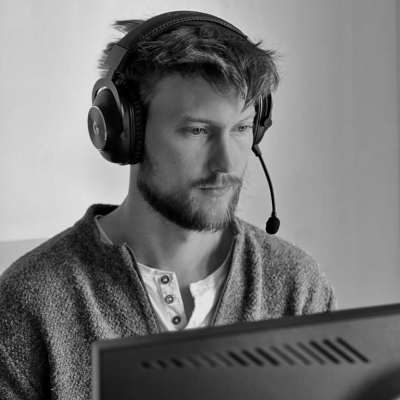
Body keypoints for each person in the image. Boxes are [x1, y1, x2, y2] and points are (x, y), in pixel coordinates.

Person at [0, 11, 336, 400]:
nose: (226, 164)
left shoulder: (297, 287)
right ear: (125, 132)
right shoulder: (30, 303)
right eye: (197, 131)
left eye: (242, 128)